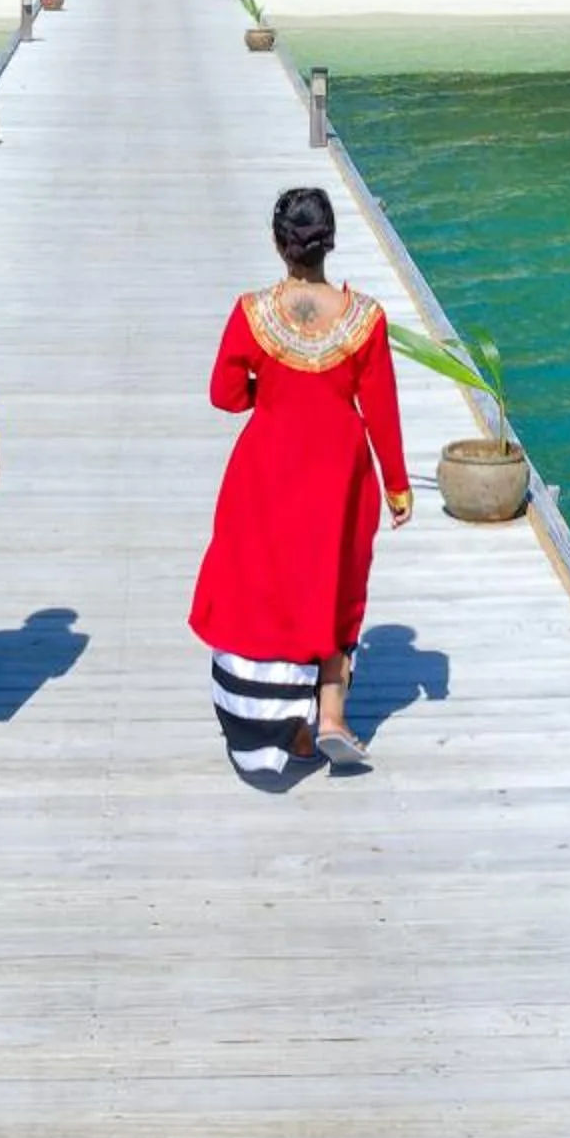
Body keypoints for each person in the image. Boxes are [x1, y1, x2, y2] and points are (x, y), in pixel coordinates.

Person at [189, 186, 411, 781]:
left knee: (269, 583)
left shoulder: (254, 312)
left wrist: (267, 389)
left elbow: (224, 394)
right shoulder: (364, 317)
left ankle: (281, 720)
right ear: (329, 242)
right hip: (340, 469)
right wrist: (397, 485)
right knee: (335, 583)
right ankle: (331, 714)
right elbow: (382, 409)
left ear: (279, 244)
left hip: (269, 464)